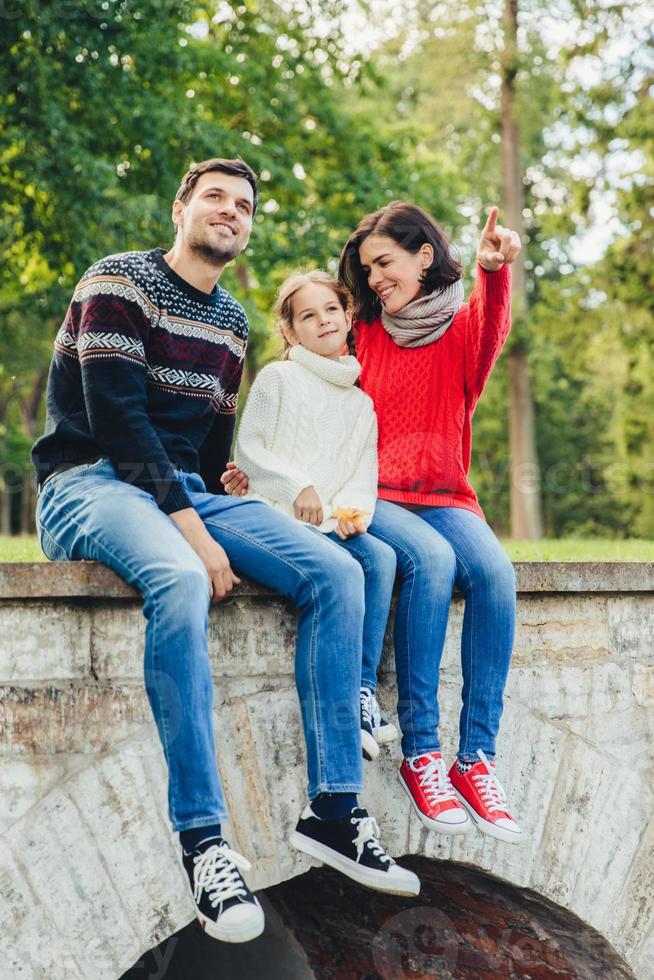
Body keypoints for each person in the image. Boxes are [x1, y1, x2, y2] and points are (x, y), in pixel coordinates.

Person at [31, 159, 419, 948]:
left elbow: (202, 451)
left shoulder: (232, 322)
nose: (230, 211)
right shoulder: (118, 282)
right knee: (179, 577)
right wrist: (197, 527)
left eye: (244, 205)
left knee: (338, 570)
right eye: (215, 197)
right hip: (91, 483)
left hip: (181, 490)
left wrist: (223, 488)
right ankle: (204, 845)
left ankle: (335, 810)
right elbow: (115, 420)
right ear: (181, 207)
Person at [222, 202, 524, 845]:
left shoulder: (463, 331)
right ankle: (421, 751)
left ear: (423, 254)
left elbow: (491, 322)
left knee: (496, 574)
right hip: (372, 494)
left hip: (446, 497)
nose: (376, 278)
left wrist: (493, 273)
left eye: (385, 263)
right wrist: (261, 475)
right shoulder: (365, 335)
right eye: (367, 270)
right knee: (432, 565)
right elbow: (315, 402)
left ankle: (476, 759)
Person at [234, 269, 399, 762]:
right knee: (353, 568)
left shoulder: (361, 404)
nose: (323, 321)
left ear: (349, 316)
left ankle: (362, 694)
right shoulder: (278, 379)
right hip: (277, 518)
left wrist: (355, 513)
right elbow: (250, 450)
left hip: (330, 524)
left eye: (331, 310)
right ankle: (349, 704)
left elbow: (360, 472)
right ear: (291, 331)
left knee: (381, 557)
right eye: (308, 315)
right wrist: (296, 485)